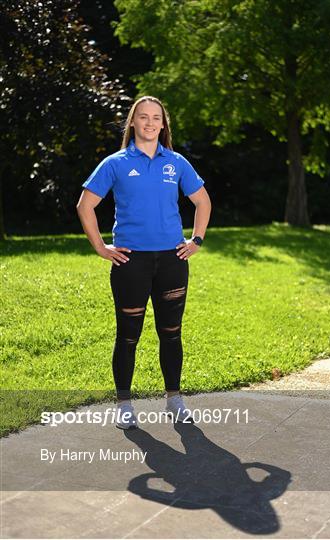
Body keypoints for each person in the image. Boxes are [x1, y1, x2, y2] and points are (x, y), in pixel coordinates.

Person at [76, 95, 212, 429]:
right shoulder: (115, 163)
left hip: (171, 262)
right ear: (132, 123)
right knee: (128, 335)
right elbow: (85, 205)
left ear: (163, 124)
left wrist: (196, 240)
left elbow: (202, 201)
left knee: (171, 332)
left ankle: (174, 399)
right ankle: (124, 404)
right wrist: (100, 247)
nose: (150, 123)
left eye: (156, 118)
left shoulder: (176, 162)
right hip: (130, 263)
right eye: (143, 117)